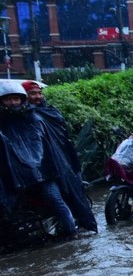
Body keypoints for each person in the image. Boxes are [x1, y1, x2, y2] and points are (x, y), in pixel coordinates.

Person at [0, 81, 97, 238]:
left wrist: (33, 167)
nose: (12, 103)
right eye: (8, 99)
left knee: (54, 198)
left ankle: (72, 234)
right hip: (13, 175)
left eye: (15, 99)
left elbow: (41, 147)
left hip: (44, 172)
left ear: (21, 100)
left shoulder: (34, 119)